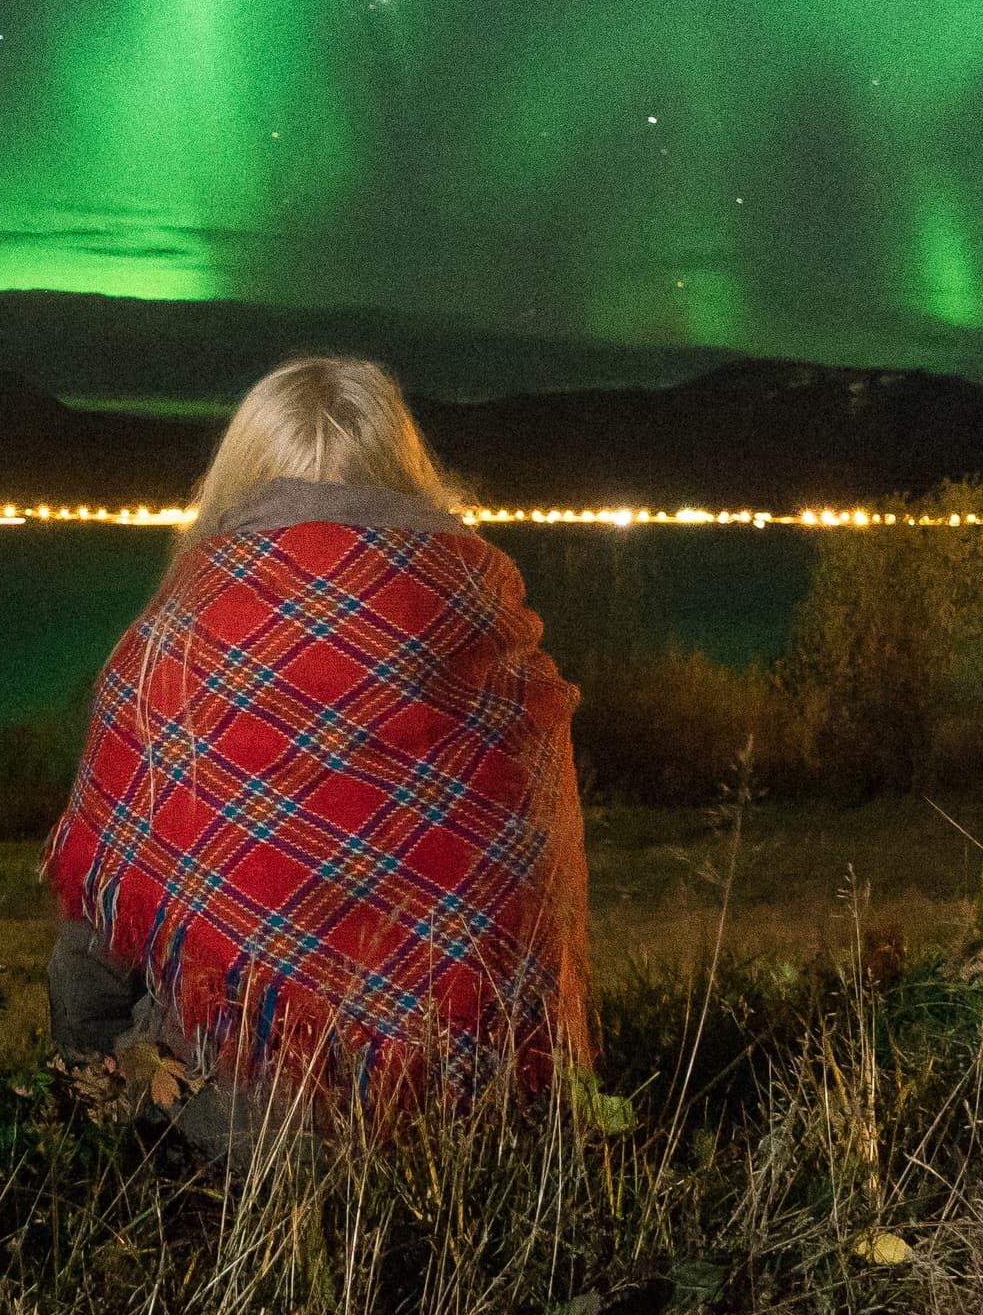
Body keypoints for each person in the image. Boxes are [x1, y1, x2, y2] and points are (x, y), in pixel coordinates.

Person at [42, 354, 590, 1152]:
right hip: (484, 1119)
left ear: (236, 483)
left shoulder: (171, 649)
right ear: (410, 479)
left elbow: (96, 939)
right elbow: (537, 908)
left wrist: (91, 1089)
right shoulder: (496, 646)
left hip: (243, 1129)